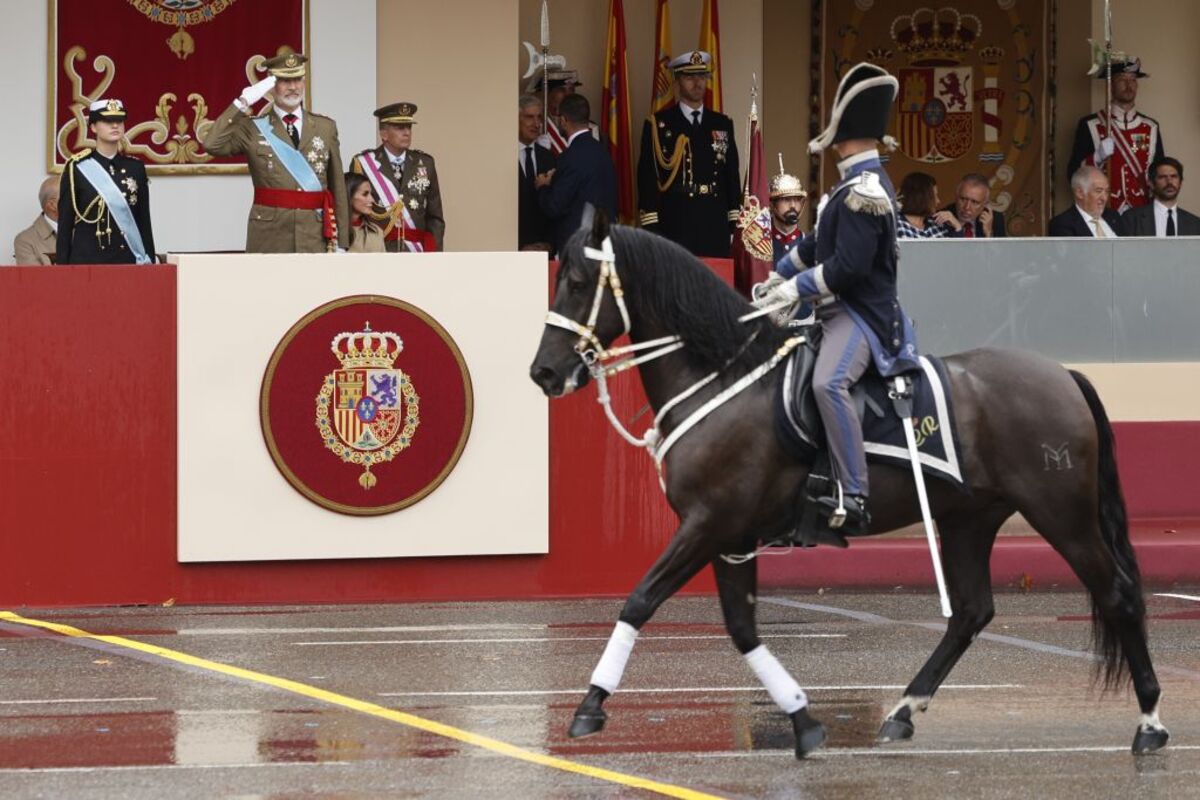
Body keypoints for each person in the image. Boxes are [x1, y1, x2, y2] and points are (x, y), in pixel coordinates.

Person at [756, 62, 918, 534]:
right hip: (832, 311)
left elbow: (848, 269)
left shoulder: (866, 190)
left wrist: (793, 290)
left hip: (859, 316)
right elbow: (811, 248)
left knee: (828, 383)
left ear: (847, 135)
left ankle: (855, 491)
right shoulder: (845, 189)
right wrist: (776, 277)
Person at [203, 51, 350, 253]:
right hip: (269, 235)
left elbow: (337, 186)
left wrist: (342, 241)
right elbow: (212, 144)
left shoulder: (325, 128)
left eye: (297, 79)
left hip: (314, 236)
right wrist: (242, 103)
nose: (292, 87)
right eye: (284, 80)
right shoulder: (252, 128)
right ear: (271, 86)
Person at [637, 50, 740, 258]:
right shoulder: (659, 124)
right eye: (689, 77)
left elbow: (731, 174)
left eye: (702, 76)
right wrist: (651, 224)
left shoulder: (721, 123)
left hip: (714, 219)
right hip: (675, 219)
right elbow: (647, 176)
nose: (697, 82)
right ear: (677, 81)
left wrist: (733, 222)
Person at [57, 99, 156, 265]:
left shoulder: (135, 168)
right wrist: (63, 267)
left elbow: (144, 220)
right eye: (108, 121)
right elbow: (65, 224)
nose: (115, 125)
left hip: (127, 259)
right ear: (94, 127)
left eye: (119, 121)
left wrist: (150, 261)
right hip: (87, 261)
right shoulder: (77, 167)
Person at [1068, 56, 1163, 213]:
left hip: (1142, 212)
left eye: (1132, 80)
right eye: (1122, 80)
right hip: (1104, 210)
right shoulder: (1090, 124)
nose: (1128, 85)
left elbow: (1159, 173)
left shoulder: (1151, 126)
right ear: (1110, 85)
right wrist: (1097, 157)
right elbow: (1073, 175)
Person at [349, 102, 444, 252]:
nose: (407, 132)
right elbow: (355, 214)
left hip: (417, 252)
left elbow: (435, 218)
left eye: (409, 127)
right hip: (379, 250)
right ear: (384, 134)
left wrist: (434, 252)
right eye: (400, 128)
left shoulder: (425, 163)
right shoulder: (363, 164)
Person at [537, 93, 617, 255]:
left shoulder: (570, 157)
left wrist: (543, 187)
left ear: (564, 120)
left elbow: (554, 206)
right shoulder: (602, 152)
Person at [1118, 156, 1200, 236]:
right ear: (1151, 183)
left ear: (1181, 182)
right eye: (1162, 177)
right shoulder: (1132, 219)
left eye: (1174, 176)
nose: (1169, 182)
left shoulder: (1195, 223)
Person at [517, 94, 556, 252]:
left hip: (543, 251)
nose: (536, 123)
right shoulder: (502, 156)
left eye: (539, 117)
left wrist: (549, 244)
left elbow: (555, 207)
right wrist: (519, 247)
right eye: (529, 117)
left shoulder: (548, 158)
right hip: (512, 251)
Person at [1048, 165, 1122, 237]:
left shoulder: (1113, 216)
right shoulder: (1062, 224)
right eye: (1098, 191)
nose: (1104, 198)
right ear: (1080, 193)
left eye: (1106, 191)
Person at [896, 171, 959, 238]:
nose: (938, 201)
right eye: (934, 196)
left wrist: (957, 225)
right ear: (921, 197)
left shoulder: (938, 224)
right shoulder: (895, 224)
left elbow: (960, 248)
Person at [13, 177, 60, 265]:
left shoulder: (86, 230)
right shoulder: (26, 241)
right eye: (70, 197)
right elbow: (33, 278)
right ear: (52, 205)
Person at [942, 173, 1005, 238]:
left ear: (985, 204)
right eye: (963, 199)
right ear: (956, 196)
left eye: (974, 202)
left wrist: (988, 234)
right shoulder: (942, 217)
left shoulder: (996, 220)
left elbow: (1002, 248)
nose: (967, 207)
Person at [768, 162, 807, 261]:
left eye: (797, 199)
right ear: (772, 204)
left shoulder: (809, 244)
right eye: (786, 199)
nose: (793, 205)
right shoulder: (763, 244)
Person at [344, 172, 386, 253]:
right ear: (349, 195)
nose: (372, 200)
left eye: (371, 194)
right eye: (365, 194)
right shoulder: (331, 232)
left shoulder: (377, 232)